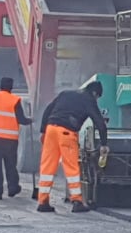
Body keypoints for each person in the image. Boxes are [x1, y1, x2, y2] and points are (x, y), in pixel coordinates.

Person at [37, 81, 109, 213]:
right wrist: (104, 144)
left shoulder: (65, 94)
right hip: (67, 132)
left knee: (47, 166)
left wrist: (43, 131)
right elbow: (99, 121)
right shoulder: (89, 99)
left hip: (51, 129)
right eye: (97, 97)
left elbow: (48, 110)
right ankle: (77, 201)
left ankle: (43, 201)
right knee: (71, 167)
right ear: (95, 93)